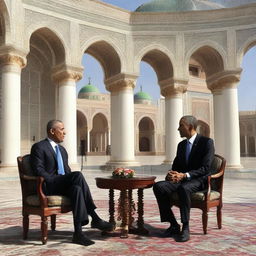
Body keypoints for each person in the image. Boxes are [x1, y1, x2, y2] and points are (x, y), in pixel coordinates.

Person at [30, 120, 113, 246]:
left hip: (62, 185)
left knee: (77, 189)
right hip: (48, 185)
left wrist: (65, 179)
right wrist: (52, 179)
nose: (65, 132)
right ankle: (95, 218)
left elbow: (67, 172)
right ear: (52, 131)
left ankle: (78, 234)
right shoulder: (39, 147)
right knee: (78, 175)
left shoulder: (62, 150)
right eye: (62, 129)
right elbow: (38, 170)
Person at [153, 115, 214, 242]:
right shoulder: (181, 145)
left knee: (184, 189)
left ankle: (185, 227)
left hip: (198, 180)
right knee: (159, 186)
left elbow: (206, 168)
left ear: (190, 127)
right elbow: (176, 166)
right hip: (182, 179)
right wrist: (172, 174)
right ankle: (173, 224)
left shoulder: (206, 142)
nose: (178, 129)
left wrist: (185, 175)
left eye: (181, 125)